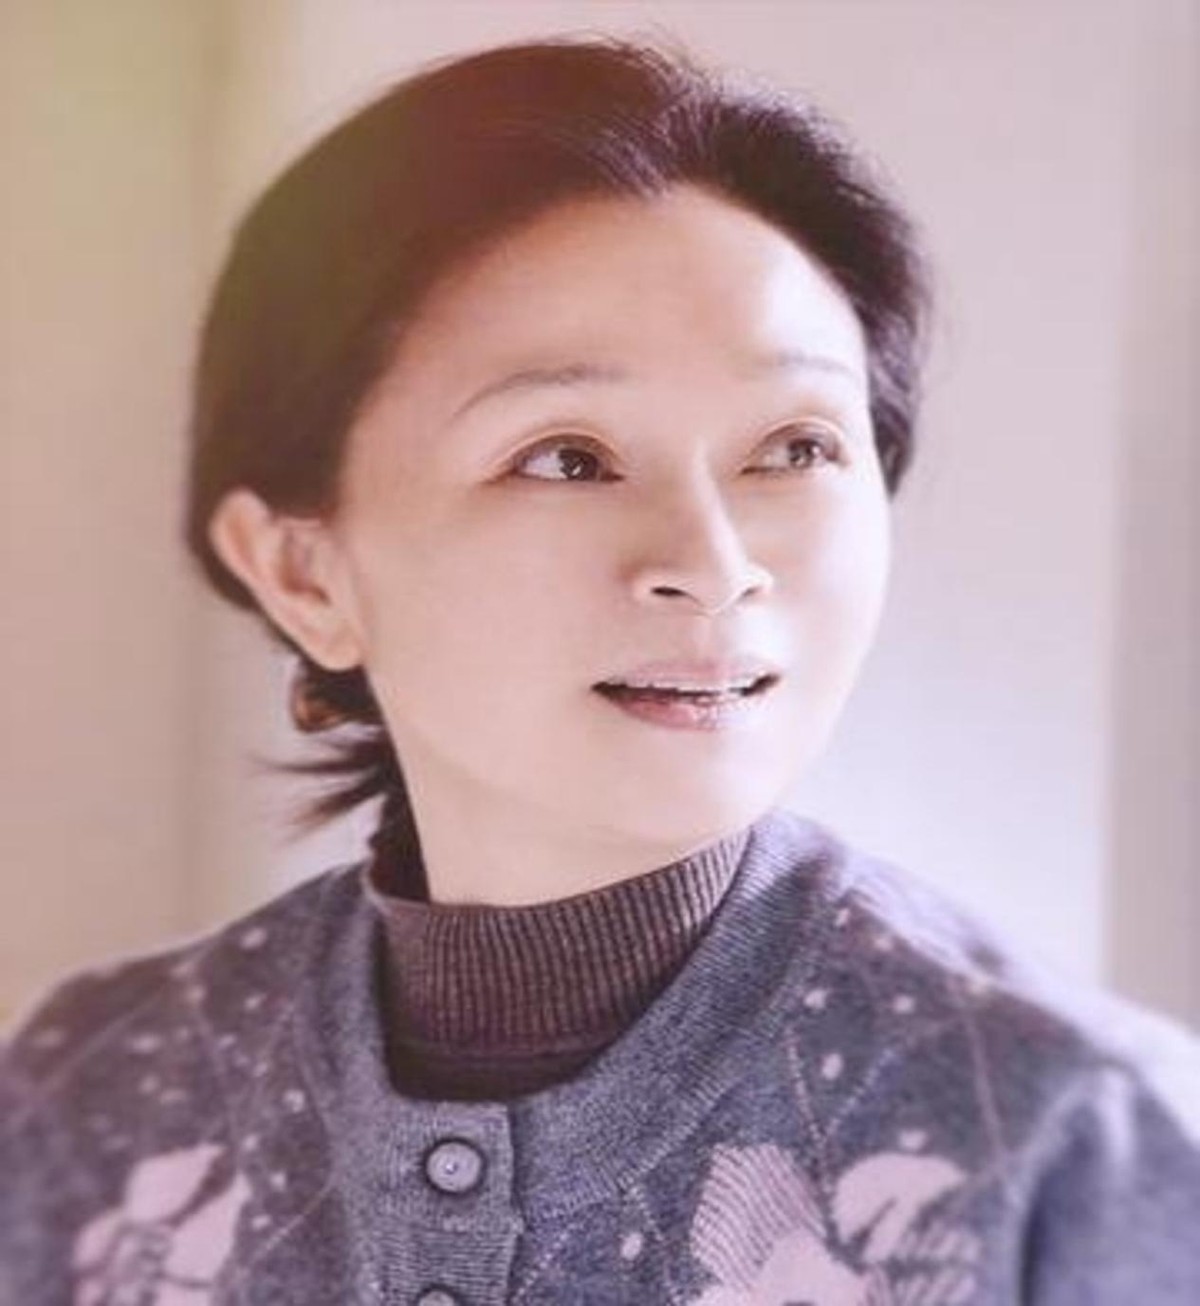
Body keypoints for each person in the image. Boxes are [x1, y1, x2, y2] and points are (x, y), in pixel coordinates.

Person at [2, 34, 1198, 1305]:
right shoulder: (96, 1101)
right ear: (305, 574)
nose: (713, 564)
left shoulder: (1075, 1138)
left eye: (796, 447)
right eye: (566, 458)